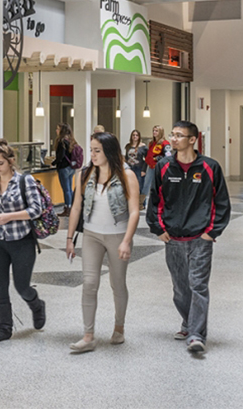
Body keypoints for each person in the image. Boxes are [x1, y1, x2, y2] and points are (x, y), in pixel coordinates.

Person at [146, 121, 231, 356]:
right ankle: (188, 323)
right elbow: (154, 201)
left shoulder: (210, 167)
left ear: (192, 140)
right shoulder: (163, 167)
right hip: (172, 239)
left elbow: (221, 202)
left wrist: (211, 232)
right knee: (181, 290)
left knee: (199, 286)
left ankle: (196, 334)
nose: (173, 139)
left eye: (179, 136)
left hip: (200, 239)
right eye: (172, 135)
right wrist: (157, 228)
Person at [66, 131, 140, 353]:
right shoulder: (85, 174)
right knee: (89, 283)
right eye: (91, 150)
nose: (93, 155)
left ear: (109, 151)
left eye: (97, 150)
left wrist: (127, 241)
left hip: (118, 236)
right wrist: (69, 238)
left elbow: (135, 211)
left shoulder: (127, 176)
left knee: (117, 283)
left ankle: (119, 327)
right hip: (91, 235)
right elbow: (76, 207)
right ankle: (88, 336)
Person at [0, 138, 46, 344]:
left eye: (0, 163)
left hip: (22, 240)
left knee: (22, 286)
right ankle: (4, 328)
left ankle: (37, 304)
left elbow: (36, 209)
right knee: (0, 286)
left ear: (10, 161)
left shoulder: (24, 181)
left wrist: (9, 217)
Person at [141, 125, 169, 208]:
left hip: (159, 168)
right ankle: (142, 203)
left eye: (156, 131)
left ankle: (161, 203)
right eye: (153, 130)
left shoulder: (165, 143)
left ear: (160, 132)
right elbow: (148, 156)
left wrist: (158, 158)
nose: (154, 132)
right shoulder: (151, 143)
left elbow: (168, 156)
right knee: (146, 185)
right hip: (150, 167)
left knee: (158, 186)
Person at [53, 123, 78, 217]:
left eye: (58, 129)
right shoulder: (71, 140)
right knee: (69, 188)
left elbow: (61, 155)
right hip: (71, 167)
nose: (56, 130)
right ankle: (71, 207)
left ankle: (67, 209)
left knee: (66, 189)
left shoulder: (61, 141)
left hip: (63, 167)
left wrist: (53, 163)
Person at [124, 129, 147, 205]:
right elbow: (126, 158)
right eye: (133, 135)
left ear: (139, 136)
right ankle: (131, 202)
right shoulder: (128, 146)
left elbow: (147, 159)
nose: (135, 137)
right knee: (129, 185)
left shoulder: (143, 147)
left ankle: (141, 203)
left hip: (139, 168)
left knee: (140, 185)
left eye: (136, 135)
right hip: (130, 168)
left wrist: (144, 170)